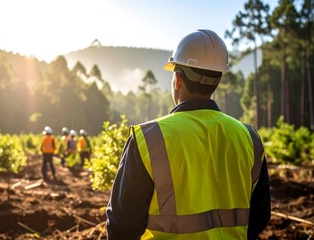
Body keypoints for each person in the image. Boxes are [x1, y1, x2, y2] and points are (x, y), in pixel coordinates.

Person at [106, 29, 271, 240]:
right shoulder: (249, 138)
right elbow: (260, 215)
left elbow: (122, 227)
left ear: (177, 79)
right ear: (217, 80)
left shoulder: (148, 138)